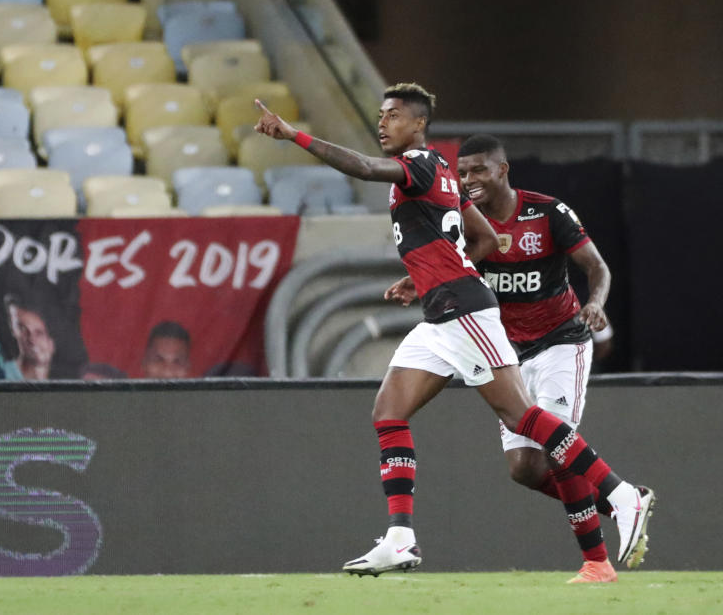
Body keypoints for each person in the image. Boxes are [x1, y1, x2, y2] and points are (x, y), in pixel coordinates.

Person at [253, 83, 654, 583]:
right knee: (388, 410)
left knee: (521, 416)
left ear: (419, 125)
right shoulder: (442, 175)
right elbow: (483, 237)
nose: (383, 123)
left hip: (464, 310)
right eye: (381, 115)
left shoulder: (419, 162)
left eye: (394, 115)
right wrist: (424, 272)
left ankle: (621, 494)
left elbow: (364, 167)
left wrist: (295, 136)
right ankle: (400, 537)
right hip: (439, 314)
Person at [444, 133, 632, 582]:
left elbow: (597, 267)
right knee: (525, 469)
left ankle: (597, 563)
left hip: (561, 341)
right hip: (508, 353)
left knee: (558, 443)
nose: (469, 180)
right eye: (463, 172)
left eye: (479, 170)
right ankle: (623, 503)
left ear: (503, 170)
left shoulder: (548, 212)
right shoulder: (463, 223)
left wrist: (597, 302)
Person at [2, 293, 56, 380]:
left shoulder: (68, 378)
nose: (32, 339)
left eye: (39, 333)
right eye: (24, 331)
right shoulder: (1, 374)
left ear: (51, 343)